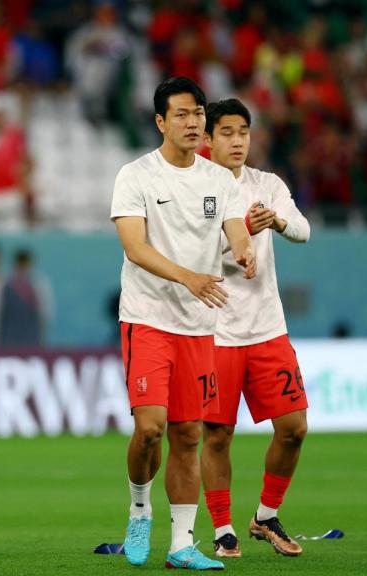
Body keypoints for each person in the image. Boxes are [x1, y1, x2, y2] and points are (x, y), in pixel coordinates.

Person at [111, 77, 255, 571]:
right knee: (150, 428)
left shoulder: (219, 179)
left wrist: (242, 247)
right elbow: (135, 247)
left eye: (198, 113)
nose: (193, 123)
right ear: (160, 122)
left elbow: (234, 225)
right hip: (148, 319)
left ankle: (180, 544)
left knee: (189, 434)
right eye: (182, 115)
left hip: (198, 325)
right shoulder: (136, 176)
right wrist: (189, 277)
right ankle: (138, 508)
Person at [199, 98, 310, 559]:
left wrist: (278, 222)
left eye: (243, 131)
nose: (237, 140)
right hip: (216, 332)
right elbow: (194, 260)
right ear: (208, 138)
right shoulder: (196, 190)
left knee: (294, 427)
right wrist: (242, 231)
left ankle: (266, 515)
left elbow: (303, 230)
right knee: (217, 435)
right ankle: (224, 529)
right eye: (227, 132)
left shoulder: (268, 184)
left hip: (267, 329)